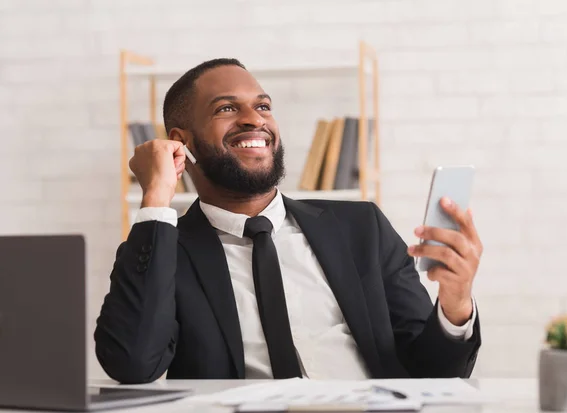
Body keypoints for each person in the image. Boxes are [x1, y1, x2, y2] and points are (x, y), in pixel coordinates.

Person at [95, 58, 483, 384]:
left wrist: (455, 303)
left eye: (263, 106)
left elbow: (434, 372)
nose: (254, 120)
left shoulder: (362, 227)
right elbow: (132, 365)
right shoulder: (165, 249)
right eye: (226, 108)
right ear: (183, 141)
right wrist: (157, 195)